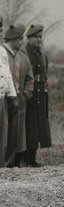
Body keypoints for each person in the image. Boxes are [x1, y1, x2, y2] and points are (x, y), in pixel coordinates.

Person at [3, 24, 33, 168]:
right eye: (20, 38)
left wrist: (26, 94)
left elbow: (29, 78)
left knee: (18, 133)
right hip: (4, 100)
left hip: (19, 101)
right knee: (4, 131)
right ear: (12, 39)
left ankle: (14, 163)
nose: (22, 41)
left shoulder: (23, 58)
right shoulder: (3, 54)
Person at [23, 24, 51, 167]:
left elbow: (44, 76)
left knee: (37, 126)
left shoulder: (42, 55)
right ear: (29, 38)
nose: (39, 39)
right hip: (28, 93)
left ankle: (31, 159)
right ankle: (23, 159)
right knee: (27, 125)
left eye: (40, 37)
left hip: (39, 92)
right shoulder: (24, 53)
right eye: (36, 37)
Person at [0, 18, 18, 168]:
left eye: (0, 31)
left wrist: (12, 96)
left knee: (2, 137)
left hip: (2, 99)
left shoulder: (2, 51)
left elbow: (7, 75)